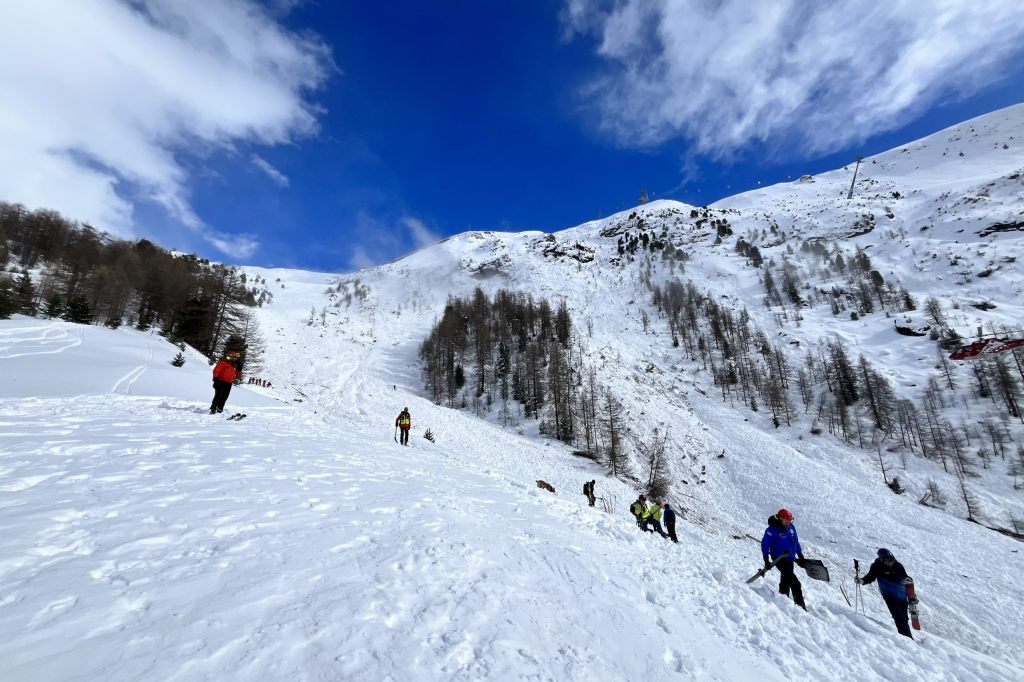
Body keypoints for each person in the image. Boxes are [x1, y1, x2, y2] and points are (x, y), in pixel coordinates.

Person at [858, 548, 913, 639]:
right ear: (881, 559)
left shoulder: (898, 566)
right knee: (897, 616)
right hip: (889, 595)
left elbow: (906, 579)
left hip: (901, 595)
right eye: (887, 560)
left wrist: (911, 593)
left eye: (891, 560)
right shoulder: (876, 566)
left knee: (904, 618)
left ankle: (906, 638)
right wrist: (862, 581)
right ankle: (907, 639)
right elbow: (870, 577)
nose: (890, 562)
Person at [761, 508, 806, 610]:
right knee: (795, 583)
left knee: (786, 580)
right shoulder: (772, 530)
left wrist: (800, 555)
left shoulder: (791, 527)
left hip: (790, 558)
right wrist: (766, 560)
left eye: (789, 521)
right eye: (786, 521)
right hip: (779, 558)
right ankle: (801, 606)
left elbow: (795, 542)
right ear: (779, 519)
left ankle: (782, 599)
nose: (788, 523)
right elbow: (765, 545)